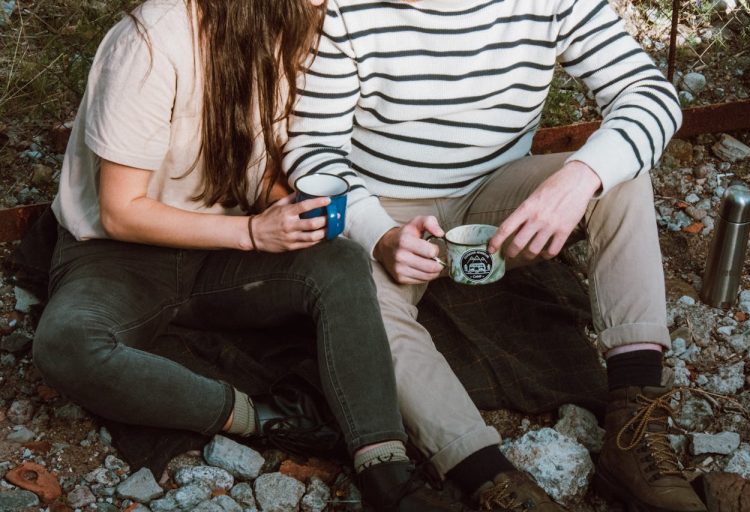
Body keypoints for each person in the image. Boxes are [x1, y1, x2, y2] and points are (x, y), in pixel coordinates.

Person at [31, 1, 468, 510]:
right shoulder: (150, 41)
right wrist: (255, 234)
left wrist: (315, 218)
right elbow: (120, 212)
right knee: (67, 343)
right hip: (120, 256)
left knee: (341, 262)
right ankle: (260, 415)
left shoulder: (281, 32)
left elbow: (257, 167)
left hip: (222, 248)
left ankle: (387, 472)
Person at [283, 0, 707, 511]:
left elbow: (652, 93)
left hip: (497, 198)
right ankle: (491, 479)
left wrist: (581, 176)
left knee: (623, 176)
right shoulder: (343, 11)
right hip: (389, 216)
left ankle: (635, 429)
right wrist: (378, 235)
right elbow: (311, 150)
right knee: (352, 299)